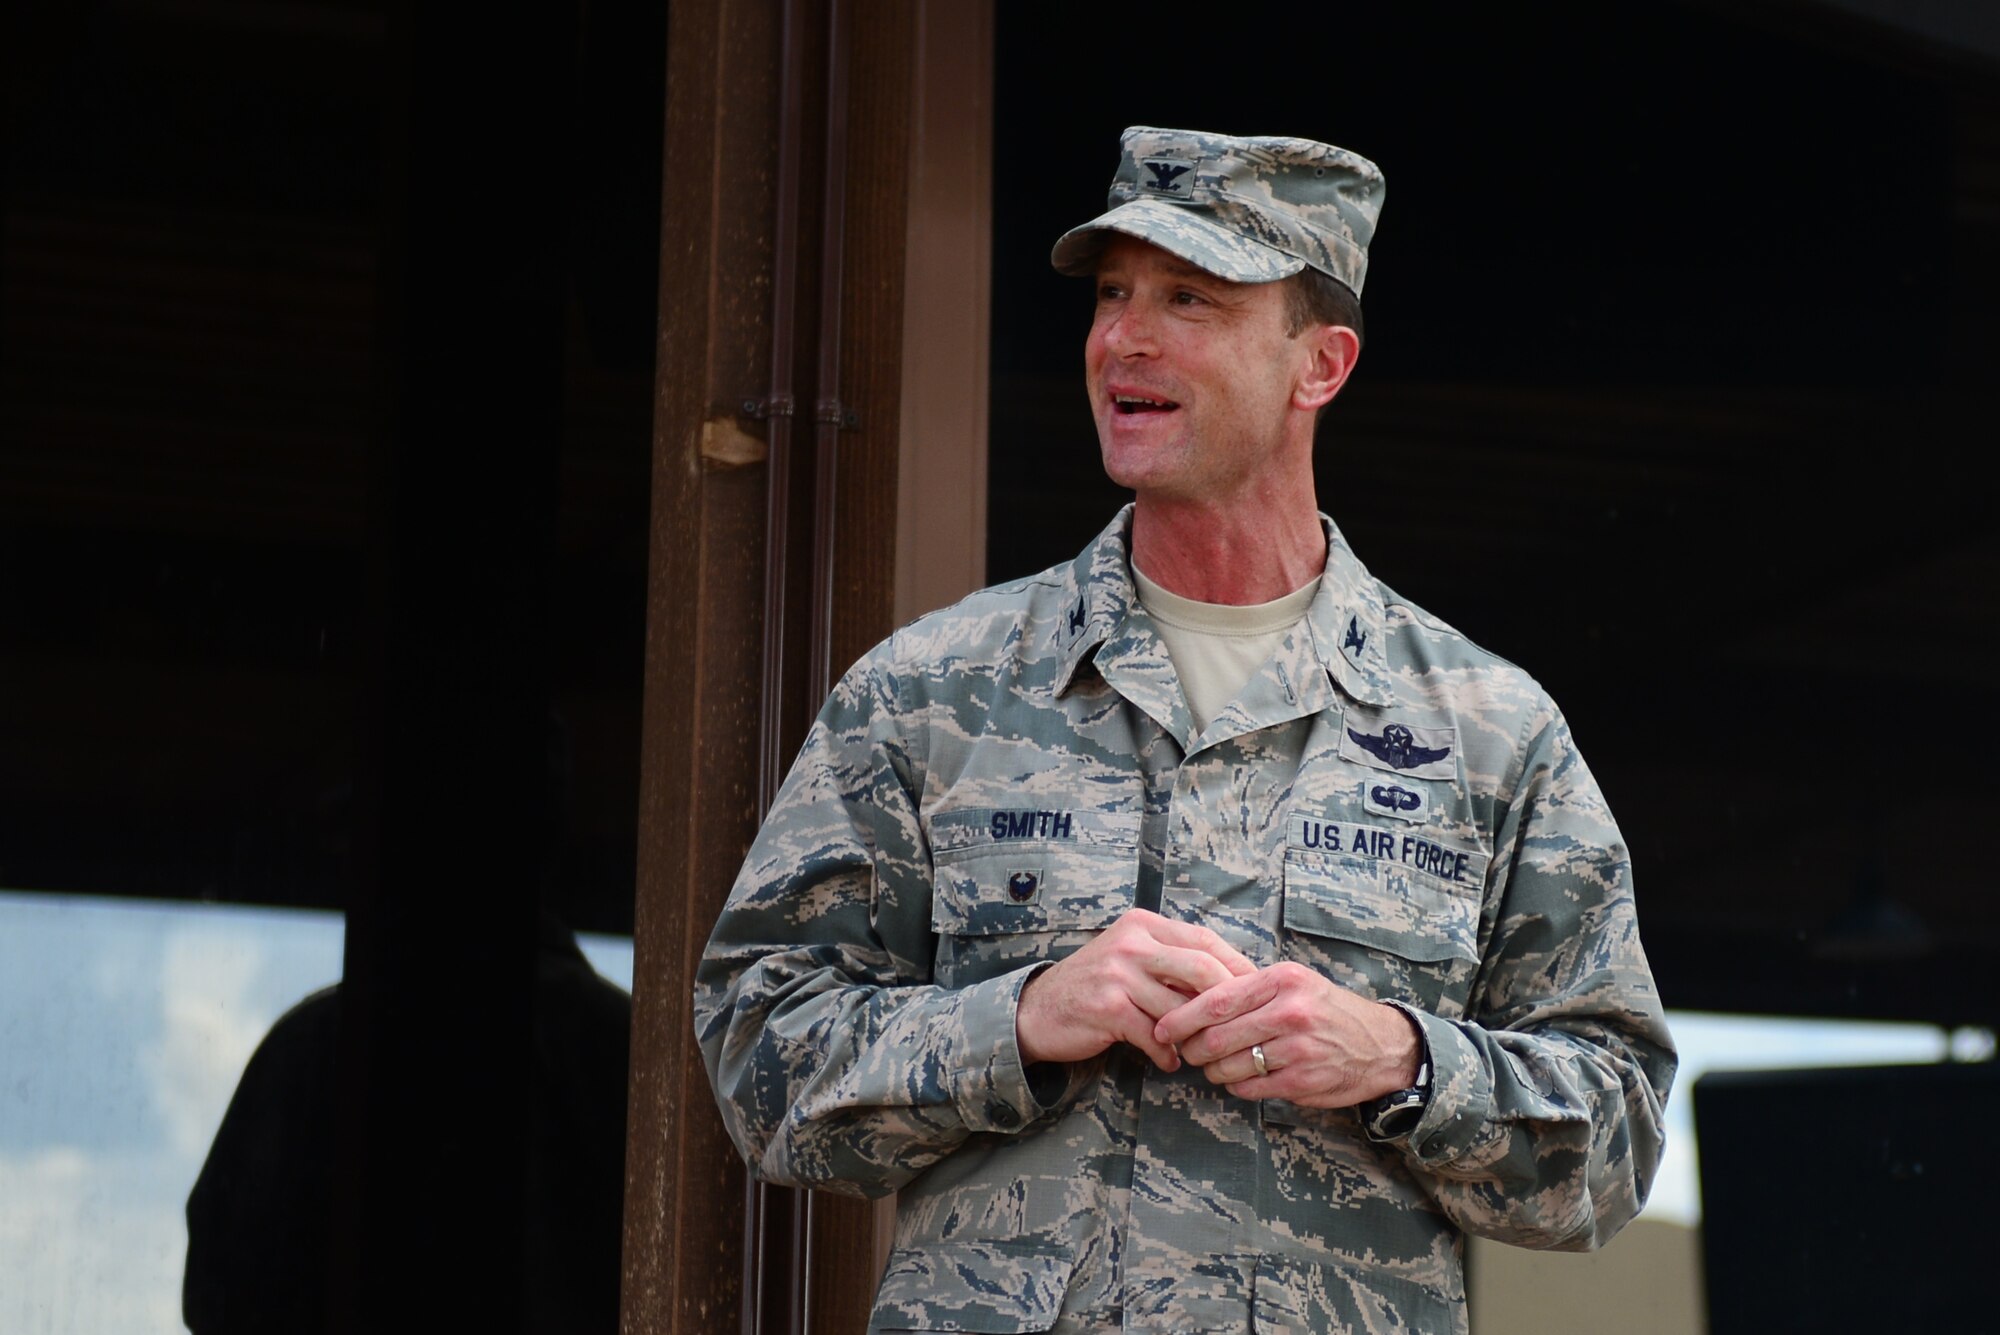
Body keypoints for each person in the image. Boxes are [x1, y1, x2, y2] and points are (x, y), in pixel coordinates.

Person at [696, 126, 1675, 1334]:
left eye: (1189, 298)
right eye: (1111, 295)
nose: (1124, 338)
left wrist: (1401, 1059)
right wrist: (1016, 1019)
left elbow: (1614, 1140)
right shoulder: (929, 692)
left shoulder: (1485, 731)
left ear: (1319, 365)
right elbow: (755, 1051)